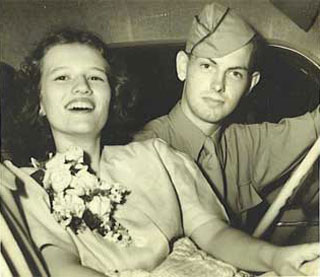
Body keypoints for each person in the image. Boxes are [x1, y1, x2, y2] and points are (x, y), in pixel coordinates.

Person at [3, 28, 319, 277]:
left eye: (96, 77)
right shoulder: (23, 189)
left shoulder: (157, 156)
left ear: (112, 96)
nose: (82, 86)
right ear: (40, 102)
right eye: (62, 77)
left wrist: (274, 257)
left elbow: (215, 235)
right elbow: (58, 266)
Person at [133, 2, 320, 230]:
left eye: (234, 73)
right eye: (206, 66)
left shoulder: (245, 144)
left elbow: (313, 124)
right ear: (183, 67)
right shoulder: (144, 149)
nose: (218, 85)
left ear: (251, 84)